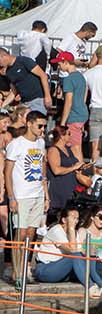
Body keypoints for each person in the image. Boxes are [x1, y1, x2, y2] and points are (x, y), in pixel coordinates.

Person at [4, 109, 49, 283]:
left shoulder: (41, 143)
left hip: (37, 193)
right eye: (39, 126)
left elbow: (43, 167)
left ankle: (25, 268)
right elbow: (7, 171)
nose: (42, 130)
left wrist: (46, 195)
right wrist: (11, 197)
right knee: (20, 234)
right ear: (29, 124)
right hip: (21, 195)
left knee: (31, 233)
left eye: (44, 126)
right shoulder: (17, 144)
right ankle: (16, 272)